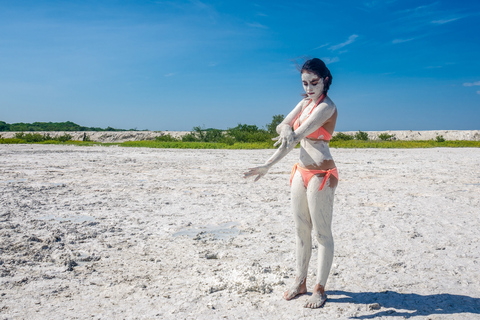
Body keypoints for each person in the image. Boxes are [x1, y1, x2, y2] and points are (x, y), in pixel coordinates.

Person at [244, 58, 338, 309]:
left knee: (322, 233)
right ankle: (301, 281)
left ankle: (320, 288)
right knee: (300, 230)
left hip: (321, 174)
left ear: (325, 80)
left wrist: (268, 165)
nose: (308, 88)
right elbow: (283, 126)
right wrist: (283, 128)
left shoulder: (326, 107)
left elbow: (295, 136)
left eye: (313, 83)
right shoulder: (304, 102)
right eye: (305, 83)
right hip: (300, 170)